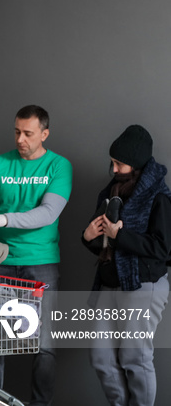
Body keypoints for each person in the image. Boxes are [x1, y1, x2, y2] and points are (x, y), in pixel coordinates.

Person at [0, 105, 72, 406]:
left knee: (44, 344)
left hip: (41, 262)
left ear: (44, 133)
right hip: (0, 262)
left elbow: (48, 213)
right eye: (17, 132)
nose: (20, 139)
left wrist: (4, 220)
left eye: (28, 133)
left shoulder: (58, 166)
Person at [82, 125, 171, 406]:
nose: (113, 168)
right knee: (101, 356)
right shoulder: (111, 191)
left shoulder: (159, 196)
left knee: (135, 358)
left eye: (118, 163)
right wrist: (87, 237)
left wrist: (120, 235)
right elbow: (103, 242)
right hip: (110, 281)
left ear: (136, 162)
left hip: (143, 284)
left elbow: (162, 249)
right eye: (112, 162)